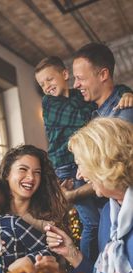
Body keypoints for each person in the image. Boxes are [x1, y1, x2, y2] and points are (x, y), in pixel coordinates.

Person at [35, 55, 133, 262]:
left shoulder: (80, 98)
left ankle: (102, 262)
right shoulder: (50, 103)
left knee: (101, 213)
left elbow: (107, 99)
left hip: (81, 162)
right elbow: (83, 118)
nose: (46, 87)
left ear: (64, 75)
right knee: (91, 221)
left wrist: (125, 91)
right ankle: (90, 264)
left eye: (50, 80)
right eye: (42, 84)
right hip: (65, 167)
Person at [46, 118, 133, 273]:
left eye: (80, 164)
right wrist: (71, 252)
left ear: (105, 161)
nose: (79, 175)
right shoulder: (109, 212)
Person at [73, 42, 133, 122]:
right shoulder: (92, 111)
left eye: (80, 78)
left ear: (103, 75)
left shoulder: (124, 114)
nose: (75, 85)